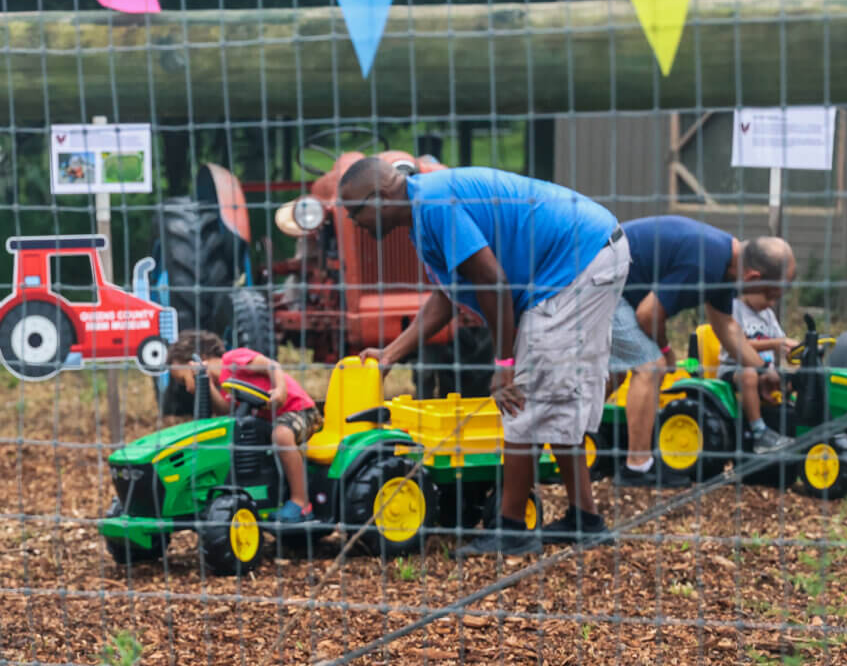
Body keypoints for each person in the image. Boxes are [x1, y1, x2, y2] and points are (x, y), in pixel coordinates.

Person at [340, 158, 629, 554]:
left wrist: (504, 364)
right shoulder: (423, 213)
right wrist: (392, 353)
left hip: (578, 261)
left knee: (523, 396)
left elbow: (494, 282)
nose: (354, 222)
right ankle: (585, 520)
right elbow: (447, 296)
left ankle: (511, 529)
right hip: (582, 257)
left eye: (354, 212)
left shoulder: (437, 206)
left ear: (379, 198)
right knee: (553, 396)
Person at [609, 216, 797, 485]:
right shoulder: (706, 263)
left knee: (610, 373)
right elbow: (648, 315)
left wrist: (763, 370)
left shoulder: (723, 266)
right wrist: (667, 350)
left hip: (619, 288)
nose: (769, 305)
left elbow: (727, 327)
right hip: (602, 284)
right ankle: (637, 468)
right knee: (652, 365)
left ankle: (573, 440)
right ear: (753, 276)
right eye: (770, 296)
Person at [168, 330, 323, 523]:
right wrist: (205, 384)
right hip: (270, 422)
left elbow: (272, 365)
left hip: (299, 411)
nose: (188, 388)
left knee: (281, 435)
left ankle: (301, 503)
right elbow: (227, 412)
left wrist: (280, 390)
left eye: (183, 380)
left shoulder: (232, 359)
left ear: (201, 358)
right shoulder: (223, 387)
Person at [717, 293, 800, 428]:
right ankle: (759, 429)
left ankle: (792, 418)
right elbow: (739, 344)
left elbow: (780, 342)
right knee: (749, 375)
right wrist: (776, 343)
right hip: (734, 369)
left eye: (775, 298)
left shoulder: (768, 314)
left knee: (795, 379)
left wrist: (792, 351)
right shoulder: (734, 309)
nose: (772, 303)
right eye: (768, 296)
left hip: (767, 369)